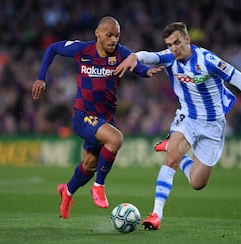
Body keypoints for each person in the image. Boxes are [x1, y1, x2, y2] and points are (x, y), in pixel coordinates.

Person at [114, 22, 241, 230]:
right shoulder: (169, 57)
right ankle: (156, 214)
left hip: (213, 125)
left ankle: (175, 150)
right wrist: (135, 57)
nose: (173, 48)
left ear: (187, 40)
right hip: (188, 118)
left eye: (176, 42)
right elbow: (150, 55)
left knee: (197, 183)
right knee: (170, 160)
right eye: (169, 44)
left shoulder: (207, 60)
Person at [31, 16, 162, 218]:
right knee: (116, 139)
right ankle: (99, 187)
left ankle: (67, 191)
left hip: (105, 119)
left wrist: (148, 71)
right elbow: (53, 48)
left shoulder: (120, 53)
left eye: (117, 35)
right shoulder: (82, 50)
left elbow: (137, 67)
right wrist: (41, 77)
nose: (113, 40)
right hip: (83, 116)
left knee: (90, 165)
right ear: (97, 33)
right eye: (109, 35)